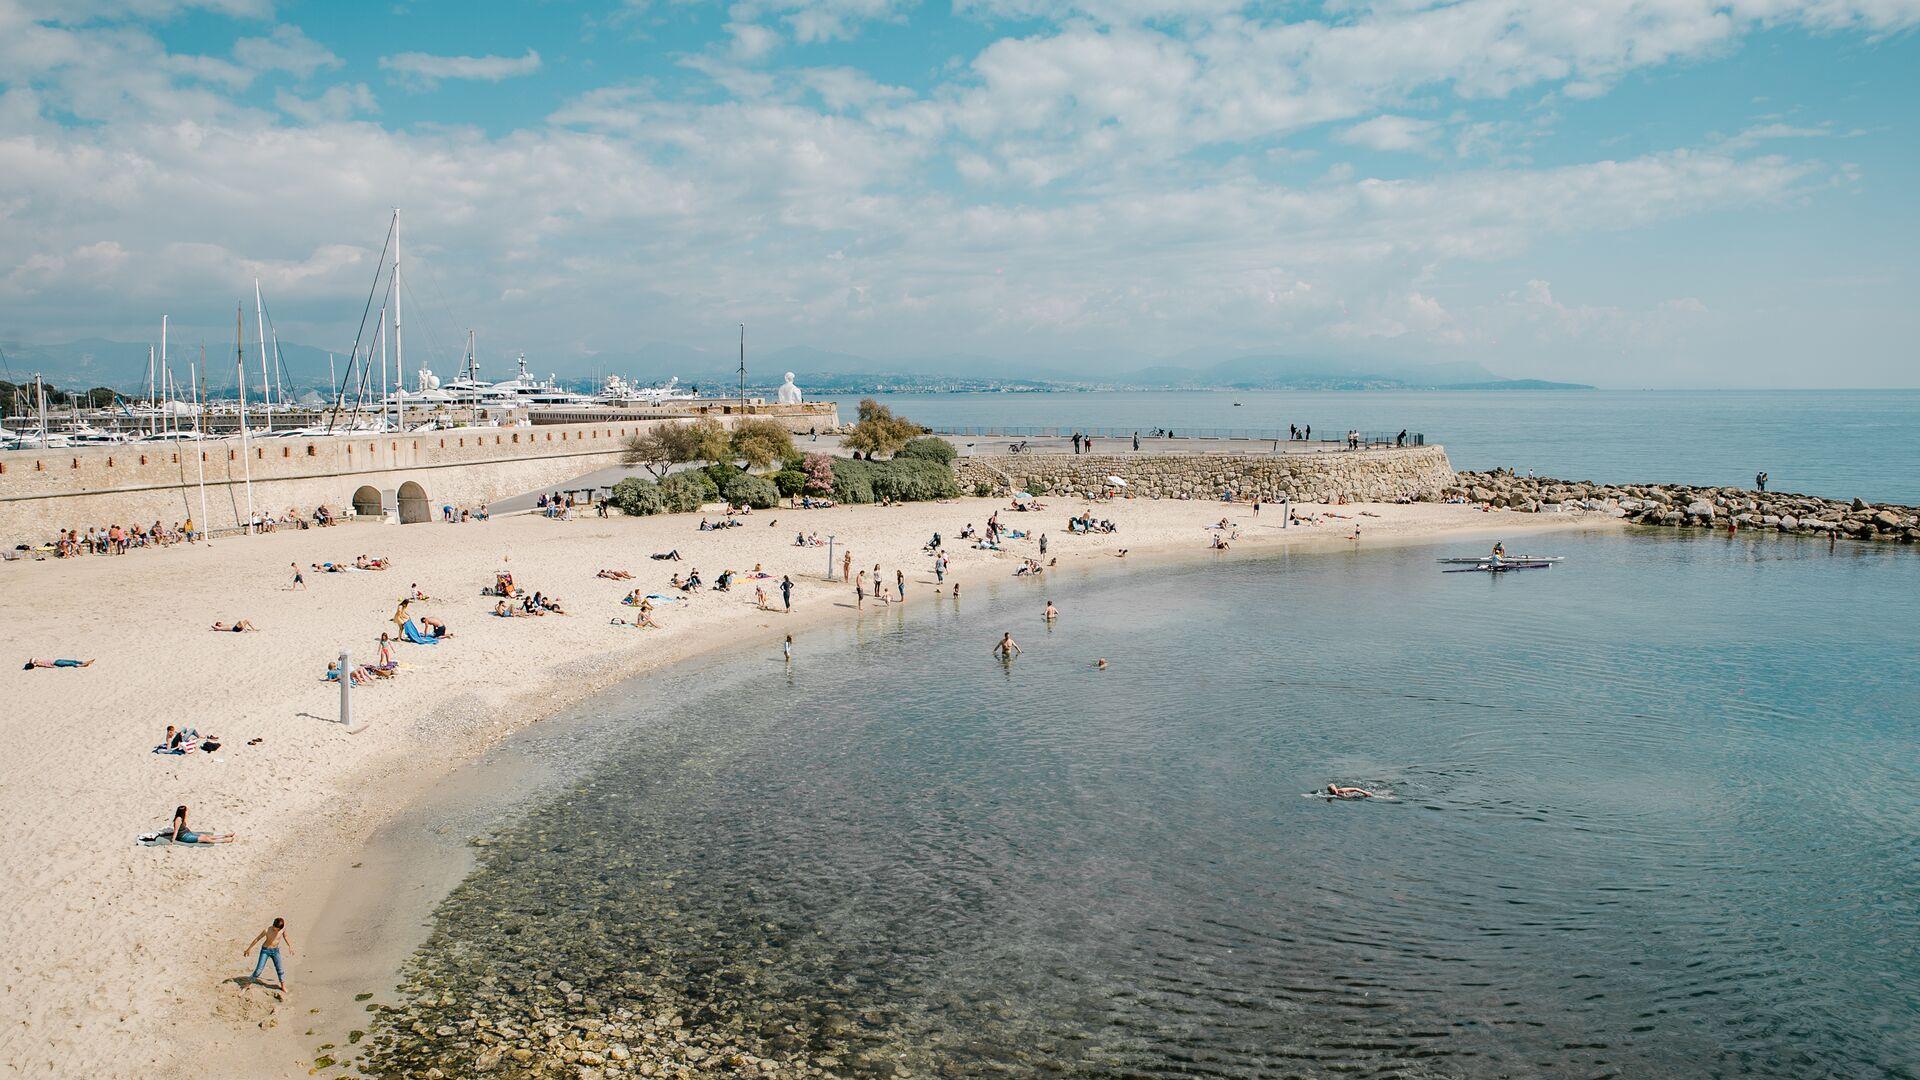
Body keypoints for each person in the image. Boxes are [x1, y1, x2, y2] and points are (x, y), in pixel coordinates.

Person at [242, 917, 293, 997]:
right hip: (265, 951)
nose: (275, 930)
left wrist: (290, 946)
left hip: (275, 951)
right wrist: (248, 949)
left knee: (280, 969)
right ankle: (247, 985)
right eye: (274, 928)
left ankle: (283, 986)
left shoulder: (282, 929)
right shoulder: (267, 930)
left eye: (277, 929)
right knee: (258, 970)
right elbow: (257, 939)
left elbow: (285, 936)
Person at [169, 804, 233, 844]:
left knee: (206, 836)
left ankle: (225, 835)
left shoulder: (183, 817)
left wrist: (185, 817)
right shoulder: (178, 820)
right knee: (206, 839)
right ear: (183, 812)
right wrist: (172, 841)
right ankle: (225, 840)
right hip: (184, 837)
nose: (187, 811)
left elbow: (184, 825)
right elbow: (176, 831)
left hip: (187, 833)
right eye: (186, 810)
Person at [23, 657, 93, 669]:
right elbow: (33, 660)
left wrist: (32, 663)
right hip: (56, 663)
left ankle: (84, 662)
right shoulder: (38, 664)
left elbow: (33, 658)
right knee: (71, 663)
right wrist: (34, 664)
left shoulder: (35, 661)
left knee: (72, 661)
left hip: (57, 660)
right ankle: (82, 665)